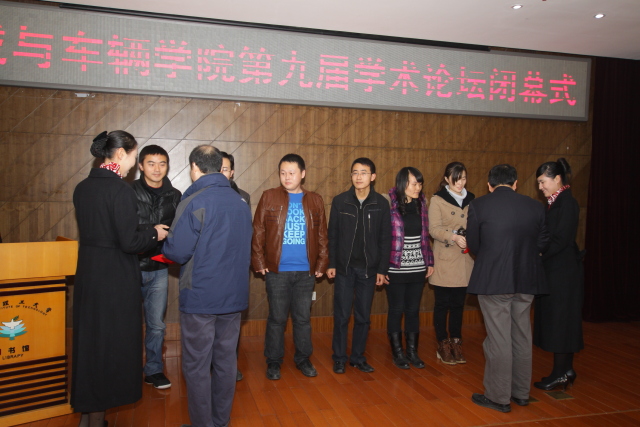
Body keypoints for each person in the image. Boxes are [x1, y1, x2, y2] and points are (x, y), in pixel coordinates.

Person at [72, 131, 169, 427]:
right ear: (120, 154)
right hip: (114, 278)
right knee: (112, 346)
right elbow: (129, 241)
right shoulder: (121, 191)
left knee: (91, 345)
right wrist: (154, 233)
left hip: (89, 274)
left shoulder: (82, 188)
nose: (132, 166)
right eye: (133, 157)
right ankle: (97, 416)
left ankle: (88, 415)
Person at [162, 145, 252, 427]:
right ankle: (220, 421)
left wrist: (165, 241)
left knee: (197, 366)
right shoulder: (240, 201)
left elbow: (177, 252)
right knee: (226, 362)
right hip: (233, 297)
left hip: (201, 297)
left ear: (194, 167)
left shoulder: (194, 201)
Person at [466, 164, 549, 413]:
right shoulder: (536, 206)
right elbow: (542, 242)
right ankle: (521, 393)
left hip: (493, 280)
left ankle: (498, 397)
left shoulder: (479, 205)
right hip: (526, 279)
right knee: (522, 335)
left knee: (499, 339)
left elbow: (473, 244)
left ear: (489, 185)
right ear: (515, 183)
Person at [251, 153, 329, 380]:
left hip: (306, 271)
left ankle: (303, 359)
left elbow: (322, 235)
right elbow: (258, 231)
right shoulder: (269, 196)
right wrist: (259, 261)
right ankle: (274, 361)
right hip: (277, 271)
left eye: (292, 173)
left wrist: (322, 262)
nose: (287, 177)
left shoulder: (315, 200)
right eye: (283, 173)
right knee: (277, 318)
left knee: (302, 318)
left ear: (302, 174)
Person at [327, 158, 391, 374]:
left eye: (363, 172)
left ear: (373, 177)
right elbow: (332, 235)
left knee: (363, 317)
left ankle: (357, 357)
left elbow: (385, 239)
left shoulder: (381, 204)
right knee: (342, 315)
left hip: (368, 270)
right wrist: (331, 263)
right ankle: (339, 357)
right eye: (355, 172)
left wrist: (382, 269)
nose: (358, 177)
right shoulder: (340, 201)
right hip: (344, 269)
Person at [132, 144, 181, 390]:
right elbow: (123, 228)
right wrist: (151, 231)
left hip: (159, 268)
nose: (157, 169)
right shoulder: (128, 191)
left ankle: (153, 369)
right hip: (129, 266)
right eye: (151, 163)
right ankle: (127, 370)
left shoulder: (175, 195)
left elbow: (180, 229)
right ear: (141, 166)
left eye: (162, 164)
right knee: (127, 323)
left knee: (156, 324)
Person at [533, 158, 584, 390]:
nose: (540, 187)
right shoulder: (556, 202)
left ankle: (561, 373)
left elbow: (560, 240)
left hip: (563, 273)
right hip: (555, 271)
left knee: (562, 322)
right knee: (558, 320)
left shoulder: (567, 203)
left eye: (543, 182)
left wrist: (538, 254)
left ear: (557, 179)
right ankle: (565, 370)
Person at [386, 167, 435, 370]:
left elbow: (425, 237)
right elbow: (383, 238)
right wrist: (382, 267)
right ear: (402, 184)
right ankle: (398, 353)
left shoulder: (422, 204)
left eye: (420, 184)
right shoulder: (390, 204)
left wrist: (429, 261)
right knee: (396, 309)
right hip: (395, 266)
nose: (418, 188)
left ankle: (412, 352)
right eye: (414, 183)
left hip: (417, 266)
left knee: (413, 310)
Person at [428, 162, 475, 365]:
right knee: (442, 304)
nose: (460, 183)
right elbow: (433, 229)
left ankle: (456, 343)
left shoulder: (472, 199)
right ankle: (443, 344)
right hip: (445, 259)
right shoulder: (438, 199)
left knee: (458, 305)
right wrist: (454, 236)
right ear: (447, 179)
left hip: (464, 260)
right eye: (456, 178)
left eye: (463, 178)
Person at [220, 150, 250, 382]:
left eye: (225, 169)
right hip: (210, 269)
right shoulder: (201, 195)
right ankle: (211, 365)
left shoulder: (243, 197)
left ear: (232, 172)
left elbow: (247, 232)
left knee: (232, 323)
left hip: (235, 268)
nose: (222, 173)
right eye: (218, 168)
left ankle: (230, 366)